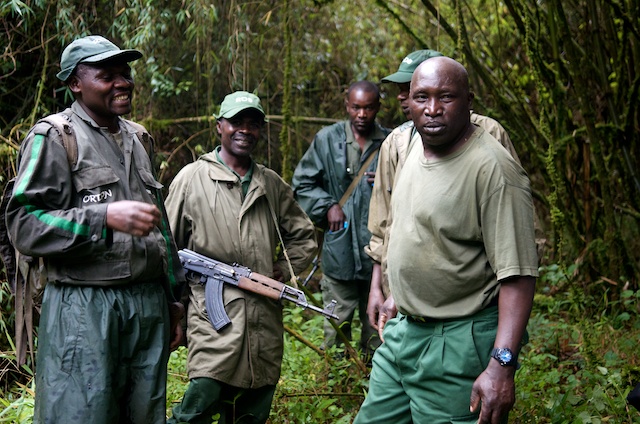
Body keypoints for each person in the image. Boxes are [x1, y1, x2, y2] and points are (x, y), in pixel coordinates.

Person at [5, 35, 186, 424]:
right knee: (79, 415)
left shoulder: (139, 138)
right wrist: (102, 218)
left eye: (125, 72)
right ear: (75, 83)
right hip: (84, 309)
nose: (122, 82)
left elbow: (161, 227)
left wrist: (174, 299)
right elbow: (24, 222)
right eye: (107, 75)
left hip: (147, 308)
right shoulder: (54, 137)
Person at [353, 57, 538, 423]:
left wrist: (502, 365)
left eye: (446, 97)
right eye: (421, 97)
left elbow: (517, 276)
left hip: (456, 340)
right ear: (407, 101)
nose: (432, 109)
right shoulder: (410, 148)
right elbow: (418, 236)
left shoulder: (493, 170)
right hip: (403, 332)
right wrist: (396, 296)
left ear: (469, 100)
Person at [165, 91, 317, 424]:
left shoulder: (270, 184)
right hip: (211, 318)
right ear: (219, 126)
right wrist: (173, 311)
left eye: (252, 123)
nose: (244, 130)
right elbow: (166, 249)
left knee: (254, 405)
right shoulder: (191, 179)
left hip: (263, 319)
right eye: (236, 122)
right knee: (199, 403)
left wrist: (280, 271)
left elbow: (303, 236)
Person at [365, 49, 524, 333]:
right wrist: (378, 287)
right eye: (408, 91)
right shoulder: (397, 142)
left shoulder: (487, 135)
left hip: (467, 311)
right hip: (404, 306)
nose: (402, 96)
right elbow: (384, 221)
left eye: (443, 95)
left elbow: (509, 223)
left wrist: (503, 340)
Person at [291, 81, 391, 359]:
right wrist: (327, 205)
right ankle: (338, 382)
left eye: (368, 108)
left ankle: (373, 383)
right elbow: (302, 183)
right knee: (337, 325)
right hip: (340, 249)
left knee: (379, 327)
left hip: (380, 252)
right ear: (347, 106)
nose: (362, 114)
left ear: (377, 108)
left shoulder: (391, 142)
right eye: (356, 107)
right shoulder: (327, 139)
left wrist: (388, 182)